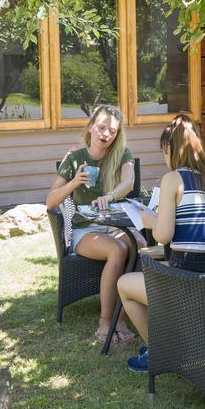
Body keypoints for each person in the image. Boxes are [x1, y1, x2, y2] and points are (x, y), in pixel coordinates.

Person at [117, 113, 205, 372]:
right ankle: (175, 347)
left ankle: (162, 353)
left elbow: (162, 236)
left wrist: (150, 220)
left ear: (171, 149)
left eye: (165, 152)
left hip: (186, 287)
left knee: (124, 285)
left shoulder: (173, 179)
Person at [46, 104, 138, 346]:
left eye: (112, 131)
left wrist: (111, 195)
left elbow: (129, 181)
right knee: (117, 250)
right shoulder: (75, 159)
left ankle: (122, 317)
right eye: (101, 127)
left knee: (139, 244)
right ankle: (105, 321)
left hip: (114, 226)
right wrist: (74, 182)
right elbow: (50, 201)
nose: (106, 134)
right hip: (84, 230)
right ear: (90, 128)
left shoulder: (121, 155)